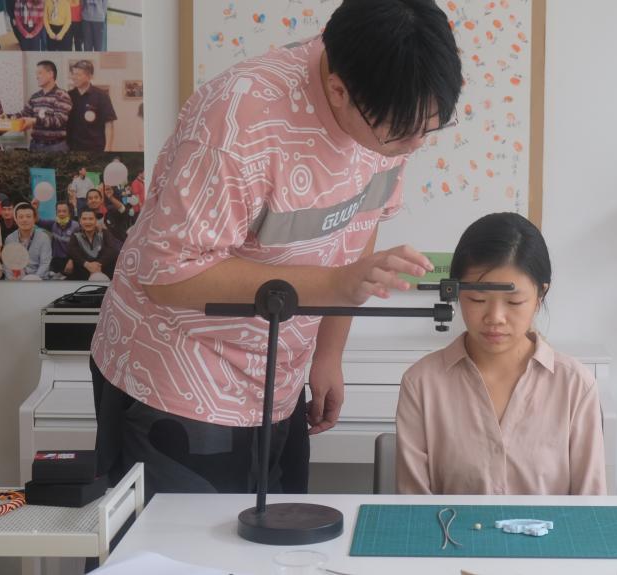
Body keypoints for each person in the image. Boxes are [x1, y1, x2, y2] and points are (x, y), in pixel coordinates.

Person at [89, 0, 461, 500]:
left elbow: (362, 221)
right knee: (183, 539)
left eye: (428, 128)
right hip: (178, 374)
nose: (414, 146)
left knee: (278, 534)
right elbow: (168, 273)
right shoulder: (237, 122)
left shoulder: (386, 104)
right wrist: (334, 285)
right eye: (401, 132)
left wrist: (328, 352)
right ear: (338, 91)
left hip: (277, 378)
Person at [396, 213, 607, 496]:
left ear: (540, 295)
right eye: (477, 299)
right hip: (449, 528)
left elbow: (591, 506)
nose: (495, 317)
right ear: (455, 291)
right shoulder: (421, 383)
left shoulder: (575, 386)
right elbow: (412, 508)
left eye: (514, 302)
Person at [13, 61, 72, 152]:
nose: (37, 77)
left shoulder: (62, 95)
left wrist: (34, 120)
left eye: (40, 73)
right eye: (36, 74)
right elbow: (24, 114)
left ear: (50, 74)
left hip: (55, 147)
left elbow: (59, 121)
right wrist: (8, 117)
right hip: (35, 146)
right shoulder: (35, 96)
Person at [66, 60, 116, 152]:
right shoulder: (68, 95)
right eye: (73, 74)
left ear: (89, 76)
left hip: (95, 148)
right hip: (72, 147)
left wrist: (108, 148)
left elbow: (109, 124)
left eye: (78, 75)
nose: (74, 77)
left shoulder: (101, 96)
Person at [66, 208, 121, 280]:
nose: (87, 222)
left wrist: (97, 264)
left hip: (104, 273)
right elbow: (71, 250)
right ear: (80, 221)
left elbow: (113, 250)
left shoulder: (104, 233)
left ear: (96, 221)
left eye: (91, 219)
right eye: (84, 219)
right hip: (82, 275)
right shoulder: (76, 234)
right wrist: (86, 264)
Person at [3, 202, 52, 280]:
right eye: (21, 217)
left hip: (38, 279)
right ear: (16, 219)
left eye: (28, 216)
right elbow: (7, 264)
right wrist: (11, 278)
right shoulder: (10, 239)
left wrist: (33, 279)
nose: (24, 220)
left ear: (34, 219)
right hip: (16, 279)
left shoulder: (44, 238)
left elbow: (45, 264)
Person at [39, 201, 80, 278]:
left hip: (70, 260)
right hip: (56, 260)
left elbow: (79, 246)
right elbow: (37, 221)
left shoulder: (76, 226)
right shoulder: (53, 224)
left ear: (69, 213)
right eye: (59, 211)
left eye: (64, 211)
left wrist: (72, 260)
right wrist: (35, 208)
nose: (61, 214)